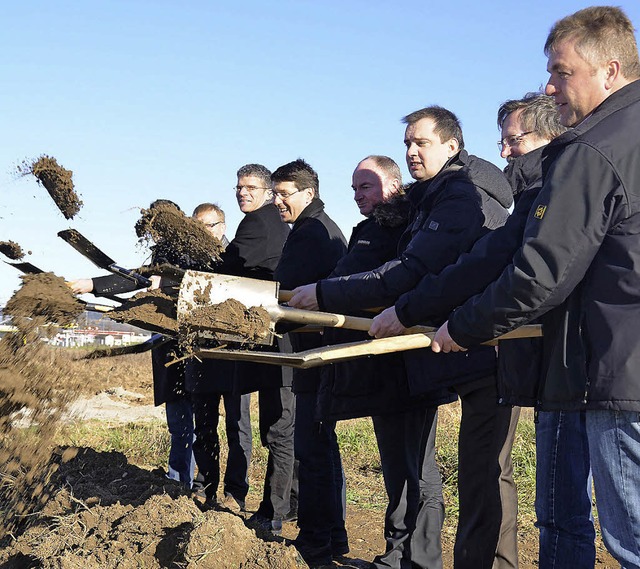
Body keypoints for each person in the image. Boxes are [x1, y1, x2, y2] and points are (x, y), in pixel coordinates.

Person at [431, 7, 640, 568]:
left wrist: (464, 326)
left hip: (620, 371)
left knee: (631, 540)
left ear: (610, 69)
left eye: (561, 72)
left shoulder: (595, 149)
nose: (550, 87)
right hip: (608, 367)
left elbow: (540, 271)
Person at [370, 93, 594, 568]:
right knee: (505, 481)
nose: (507, 149)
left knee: (512, 484)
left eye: (517, 139)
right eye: (504, 140)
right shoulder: (528, 196)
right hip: (517, 352)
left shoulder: (535, 194)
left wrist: (448, 320)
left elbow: (505, 270)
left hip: (531, 355)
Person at [290, 106, 515, 568]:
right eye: (407, 143)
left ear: (452, 146)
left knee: (467, 475)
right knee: (440, 471)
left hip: (467, 350)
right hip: (432, 349)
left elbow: (417, 271)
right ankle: (408, 557)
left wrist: (331, 294)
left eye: (422, 143)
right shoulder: (426, 202)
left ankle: (421, 560)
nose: (412, 151)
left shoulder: (459, 200)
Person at [317, 155, 452, 569]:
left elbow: (387, 282)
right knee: (396, 465)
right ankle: (396, 555)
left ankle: (423, 560)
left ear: (393, 186)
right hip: (379, 367)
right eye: (355, 189)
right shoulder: (369, 229)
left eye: (366, 187)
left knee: (418, 468)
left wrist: (327, 291)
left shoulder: (404, 228)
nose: (358, 196)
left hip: (409, 364)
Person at [68, 199, 197, 489]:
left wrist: (163, 283)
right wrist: (91, 284)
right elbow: (140, 278)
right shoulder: (163, 253)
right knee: (178, 420)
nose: (154, 232)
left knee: (189, 422)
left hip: (187, 347)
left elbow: (180, 282)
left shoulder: (191, 253)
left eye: (160, 225)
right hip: (166, 344)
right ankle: (178, 478)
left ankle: (186, 482)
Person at [270, 158, 348, 567]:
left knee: (311, 450)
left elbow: (281, 291)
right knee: (320, 448)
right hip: (316, 351)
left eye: (285, 194)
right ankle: (331, 536)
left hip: (316, 355)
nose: (278, 202)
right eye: (276, 194)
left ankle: (317, 541)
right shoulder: (314, 227)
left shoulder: (312, 232)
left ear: (308, 192)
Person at [216, 163, 295, 535]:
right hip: (275, 340)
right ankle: (289, 505)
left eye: (250, 186)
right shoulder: (274, 223)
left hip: (277, 343)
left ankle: (272, 514)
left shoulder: (258, 222)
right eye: (238, 186)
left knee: (279, 429)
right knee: (283, 426)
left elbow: (224, 267)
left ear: (267, 192)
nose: (241, 192)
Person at [186, 202, 253, 512]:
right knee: (204, 425)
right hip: (200, 353)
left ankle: (236, 492)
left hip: (233, 354)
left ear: (222, 228)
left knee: (237, 425)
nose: (203, 232)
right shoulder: (191, 262)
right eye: (197, 227)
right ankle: (205, 485)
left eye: (209, 226)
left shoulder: (235, 257)